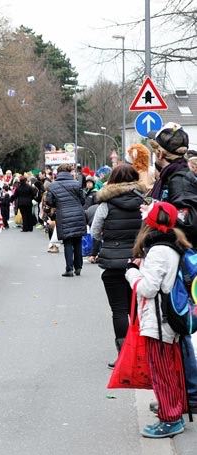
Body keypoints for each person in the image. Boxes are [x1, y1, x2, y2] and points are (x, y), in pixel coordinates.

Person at [125, 201, 191, 438]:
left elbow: (148, 289)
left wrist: (132, 272)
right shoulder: (174, 245)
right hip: (170, 318)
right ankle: (172, 408)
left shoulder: (158, 250)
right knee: (169, 369)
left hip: (160, 320)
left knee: (161, 372)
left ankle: (170, 418)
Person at [146, 122, 197, 420]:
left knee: (177, 326)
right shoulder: (172, 175)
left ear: (161, 153)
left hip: (178, 260)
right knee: (175, 328)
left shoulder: (179, 179)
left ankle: (190, 394)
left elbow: (187, 219)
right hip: (173, 256)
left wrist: (155, 219)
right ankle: (184, 393)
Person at [90, 164, 144, 368]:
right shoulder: (143, 201)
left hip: (113, 263)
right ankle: (143, 353)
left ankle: (123, 356)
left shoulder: (106, 203)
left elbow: (94, 231)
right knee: (138, 310)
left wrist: (108, 238)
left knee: (119, 310)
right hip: (138, 262)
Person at [46, 163, 87, 277]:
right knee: (78, 241)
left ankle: (69, 269)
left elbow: (49, 201)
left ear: (58, 173)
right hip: (78, 214)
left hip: (63, 215)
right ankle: (78, 267)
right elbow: (83, 200)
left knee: (68, 242)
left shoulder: (53, 185)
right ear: (70, 172)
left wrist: (58, 204)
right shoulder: (76, 183)